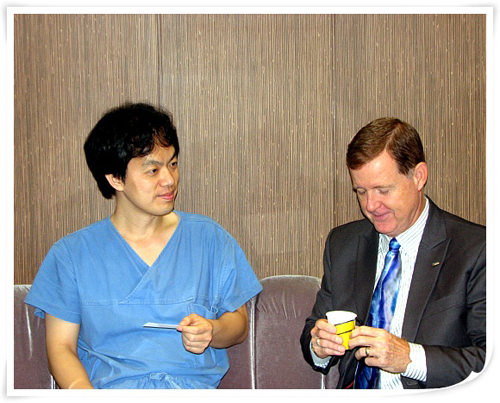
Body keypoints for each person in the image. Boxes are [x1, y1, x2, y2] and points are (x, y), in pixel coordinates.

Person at [25, 102, 262, 389]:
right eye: (153, 170)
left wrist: (213, 329)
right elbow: (61, 348)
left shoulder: (209, 238)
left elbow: (238, 324)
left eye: (173, 164)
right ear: (115, 178)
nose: (169, 180)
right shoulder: (71, 255)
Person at [300, 117, 486, 389]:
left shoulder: (476, 250)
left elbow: (489, 362)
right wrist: (318, 345)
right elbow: (314, 327)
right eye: (361, 191)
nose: (370, 205)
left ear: (418, 176)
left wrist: (410, 358)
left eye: (383, 190)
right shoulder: (344, 244)